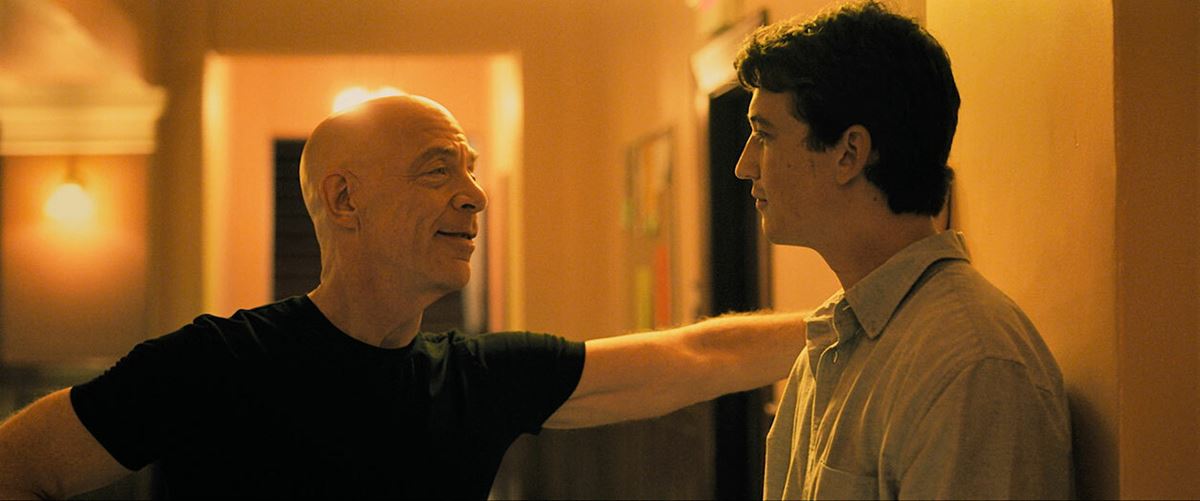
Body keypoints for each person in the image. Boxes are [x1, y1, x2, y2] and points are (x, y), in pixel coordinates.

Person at [0, 95, 806, 499]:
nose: (475, 196)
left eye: (471, 169)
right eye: (437, 169)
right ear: (344, 200)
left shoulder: (477, 381)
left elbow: (700, 354)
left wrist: (860, 313)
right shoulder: (216, 365)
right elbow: (17, 465)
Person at [732, 1, 1072, 499]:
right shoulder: (831, 345)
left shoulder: (972, 366)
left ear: (849, 152)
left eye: (764, 135)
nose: (744, 166)